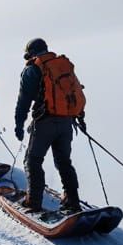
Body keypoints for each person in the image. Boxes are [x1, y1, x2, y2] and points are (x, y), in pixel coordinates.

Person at [14, 38, 83, 215]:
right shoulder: (62, 65)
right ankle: (72, 201)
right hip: (66, 122)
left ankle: (33, 202)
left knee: (33, 160)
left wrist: (19, 124)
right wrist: (78, 116)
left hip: (45, 122)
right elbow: (74, 92)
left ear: (31, 53)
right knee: (64, 162)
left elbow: (23, 101)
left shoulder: (32, 69)